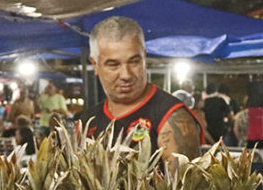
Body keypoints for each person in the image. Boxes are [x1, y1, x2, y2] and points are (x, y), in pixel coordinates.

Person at [79, 16, 204, 161]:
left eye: (134, 62)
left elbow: (186, 182)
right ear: (95, 65)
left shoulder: (170, 116)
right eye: (113, 65)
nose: (126, 75)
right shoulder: (87, 122)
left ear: (144, 57)